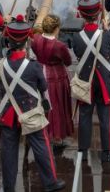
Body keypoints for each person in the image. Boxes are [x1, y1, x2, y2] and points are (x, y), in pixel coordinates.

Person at [0, 16, 65, 192]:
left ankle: (9, 187)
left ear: (8, 39)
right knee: (41, 146)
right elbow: (43, 88)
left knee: (8, 152)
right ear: (26, 40)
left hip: (8, 114)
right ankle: (50, 182)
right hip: (30, 111)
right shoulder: (34, 66)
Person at [71, 0, 110, 163]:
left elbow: (78, 55)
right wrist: (106, 31)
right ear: (98, 14)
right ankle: (107, 151)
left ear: (82, 14)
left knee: (84, 116)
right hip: (103, 81)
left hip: (86, 81)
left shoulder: (76, 37)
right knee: (105, 117)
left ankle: (83, 151)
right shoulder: (106, 35)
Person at [31, 14, 74, 152]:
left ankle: (43, 135)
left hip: (40, 75)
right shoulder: (59, 45)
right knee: (57, 107)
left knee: (43, 106)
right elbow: (68, 61)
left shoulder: (35, 40)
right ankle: (57, 137)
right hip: (57, 78)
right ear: (56, 29)